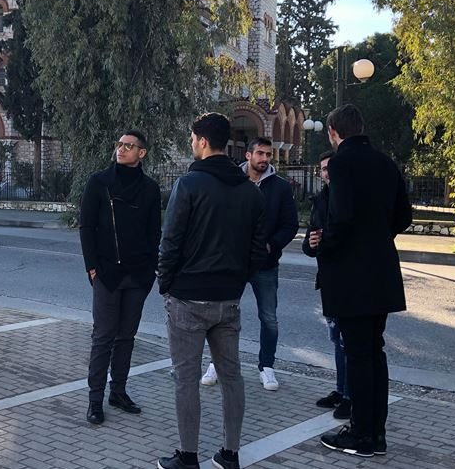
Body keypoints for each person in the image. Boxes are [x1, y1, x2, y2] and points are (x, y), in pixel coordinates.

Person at [156, 113, 268, 469]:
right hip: (228, 299)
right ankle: (230, 453)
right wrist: (237, 281)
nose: (192, 143)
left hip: (188, 297)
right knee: (232, 376)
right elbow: (258, 250)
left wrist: (165, 284)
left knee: (186, 379)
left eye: (193, 138)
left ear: (203, 141)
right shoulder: (250, 191)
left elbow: (170, 241)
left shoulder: (188, 185)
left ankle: (188, 456)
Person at [316, 104, 411, 458]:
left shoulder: (341, 163)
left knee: (357, 356)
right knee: (374, 353)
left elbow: (340, 217)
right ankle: (376, 433)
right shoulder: (386, 163)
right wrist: (377, 236)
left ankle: (361, 435)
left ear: (333, 132)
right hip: (381, 271)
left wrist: (325, 244)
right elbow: (404, 216)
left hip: (350, 276)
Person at [201, 136, 298, 391]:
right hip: (232, 262)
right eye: (260, 154)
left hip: (265, 264)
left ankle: (267, 366)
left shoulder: (280, 187)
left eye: (268, 154)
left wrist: (271, 245)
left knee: (269, 318)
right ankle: (215, 363)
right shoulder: (232, 181)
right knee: (221, 314)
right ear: (248, 155)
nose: (265, 159)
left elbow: (290, 224)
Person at [78, 131, 161, 425]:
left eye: (129, 146)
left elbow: (154, 233)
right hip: (107, 274)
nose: (121, 149)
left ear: (142, 153)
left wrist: (150, 271)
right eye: (120, 145)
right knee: (103, 337)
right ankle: (95, 400)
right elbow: (86, 227)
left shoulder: (150, 189)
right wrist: (92, 267)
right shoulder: (99, 182)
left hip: (138, 276)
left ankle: (119, 392)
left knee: (126, 337)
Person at [302, 150, 350, 419]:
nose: (326, 172)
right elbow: (309, 242)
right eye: (322, 169)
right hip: (328, 279)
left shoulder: (349, 198)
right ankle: (341, 391)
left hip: (348, 279)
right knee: (336, 339)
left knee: (347, 341)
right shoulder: (320, 200)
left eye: (330, 167)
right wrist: (310, 243)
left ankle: (351, 396)